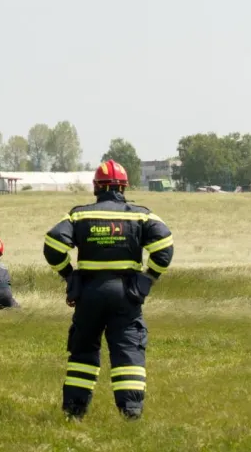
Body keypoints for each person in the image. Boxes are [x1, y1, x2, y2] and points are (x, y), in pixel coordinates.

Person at [43, 160, 174, 422]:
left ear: (96, 187)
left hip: (89, 294)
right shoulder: (141, 215)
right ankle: (131, 414)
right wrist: (148, 279)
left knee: (83, 354)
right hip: (126, 294)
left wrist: (70, 276)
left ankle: (74, 413)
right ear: (124, 187)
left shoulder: (79, 215)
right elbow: (165, 246)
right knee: (127, 351)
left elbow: (52, 244)